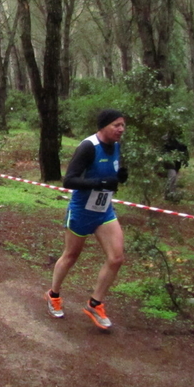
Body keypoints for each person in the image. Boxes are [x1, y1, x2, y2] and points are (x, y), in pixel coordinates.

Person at [46, 109, 128, 330]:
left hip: (104, 211)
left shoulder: (117, 146)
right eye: (116, 125)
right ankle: (53, 295)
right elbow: (69, 181)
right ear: (103, 126)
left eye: (123, 125)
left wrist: (120, 176)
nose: (121, 129)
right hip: (82, 210)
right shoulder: (88, 147)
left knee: (116, 257)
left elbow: (113, 173)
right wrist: (101, 182)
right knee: (71, 255)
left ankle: (95, 303)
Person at [161, 133, 189, 201]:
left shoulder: (180, 145)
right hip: (168, 165)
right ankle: (169, 195)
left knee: (173, 179)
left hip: (174, 165)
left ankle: (170, 196)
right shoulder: (164, 145)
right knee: (172, 178)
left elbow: (185, 156)